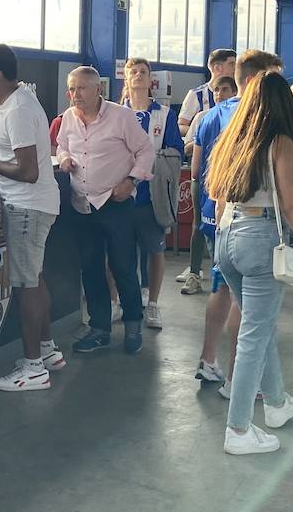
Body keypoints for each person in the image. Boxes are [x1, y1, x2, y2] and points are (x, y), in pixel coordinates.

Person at [207, 70, 293, 455]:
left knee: (258, 328)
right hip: (261, 239)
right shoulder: (280, 142)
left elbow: (215, 192)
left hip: (228, 235)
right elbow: (291, 205)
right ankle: (239, 429)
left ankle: (278, 403)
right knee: (254, 335)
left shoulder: (233, 136)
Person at [0, 44, 64, 391]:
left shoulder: (18, 109)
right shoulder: (4, 104)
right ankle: (47, 351)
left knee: (25, 285)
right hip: (29, 205)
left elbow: (29, 171)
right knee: (33, 278)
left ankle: (34, 369)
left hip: (27, 206)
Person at [190, 49, 285, 389]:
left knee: (223, 285)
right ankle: (237, 379)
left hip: (217, 213)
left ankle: (208, 358)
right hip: (248, 218)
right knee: (248, 299)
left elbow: (200, 168)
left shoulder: (213, 114)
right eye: (274, 77)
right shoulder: (261, 117)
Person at [56, 66, 154, 355]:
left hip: (115, 203)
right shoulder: (68, 119)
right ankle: (99, 329)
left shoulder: (120, 117)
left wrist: (131, 181)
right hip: (82, 204)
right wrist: (64, 158)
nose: (76, 95)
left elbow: (146, 150)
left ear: (98, 89)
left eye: (82, 88)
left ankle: (133, 324)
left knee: (123, 266)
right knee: (91, 268)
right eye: (72, 89)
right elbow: (61, 146)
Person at [119, 57, 185, 330]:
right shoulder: (113, 112)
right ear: (126, 78)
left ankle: (154, 303)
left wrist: (149, 160)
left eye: (143, 72)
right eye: (132, 71)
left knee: (155, 251)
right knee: (117, 253)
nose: (137, 75)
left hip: (150, 197)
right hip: (119, 194)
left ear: (150, 80)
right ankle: (116, 302)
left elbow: (176, 152)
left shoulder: (164, 115)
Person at [177, 49, 238, 295]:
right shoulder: (200, 104)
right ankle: (195, 271)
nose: (220, 94)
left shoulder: (242, 110)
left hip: (230, 179)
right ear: (216, 66)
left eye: (226, 91)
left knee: (226, 226)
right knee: (201, 224)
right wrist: (199, 140)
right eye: (232, 63)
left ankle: (223, 273)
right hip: (204, 177)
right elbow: (185, 133)